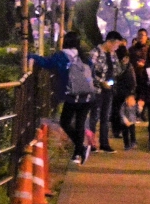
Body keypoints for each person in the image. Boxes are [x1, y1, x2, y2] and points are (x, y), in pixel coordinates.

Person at [30, 31, 98, 164]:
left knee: (65, 122)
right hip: (87, 96)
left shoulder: (61, 56)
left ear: (65, 42)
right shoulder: (84, 58)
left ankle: (80, 150)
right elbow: (92, 74)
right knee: (79, 124)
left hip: (72, 96)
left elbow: (46, 63)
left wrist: (30, 56)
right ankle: (78, 152)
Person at [89, 31, 125, 153]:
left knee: (106, 117)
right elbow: (90, 72)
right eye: (117, 44)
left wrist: (122, 64)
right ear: (110, 42)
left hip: (109, 90)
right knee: (94, 117)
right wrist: (101, 81)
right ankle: (91, 144)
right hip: (97, 89)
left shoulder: (113, 54)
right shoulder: (96, 52)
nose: (117, 48)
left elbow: (117, 71)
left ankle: (104, 144)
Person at [113, 44, 139, 148]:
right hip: (118, 94)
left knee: (130, 118)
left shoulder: (129, 67)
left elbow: (133, 83)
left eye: (126, 57)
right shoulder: (116, 66)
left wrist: (131, 95)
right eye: (122, 58)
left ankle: (132, 140)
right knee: (119, 115)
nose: (124, 59)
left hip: (127, 96)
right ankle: (123, 138)